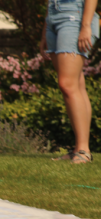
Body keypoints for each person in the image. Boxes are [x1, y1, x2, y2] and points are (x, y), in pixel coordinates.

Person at [40, 0, 100, 163]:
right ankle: (78, 149)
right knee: (76, 84)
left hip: (75, 16)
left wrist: (86, 25)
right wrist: (45, 29)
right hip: (53, 16)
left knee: (67, 84)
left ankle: (83, 150)